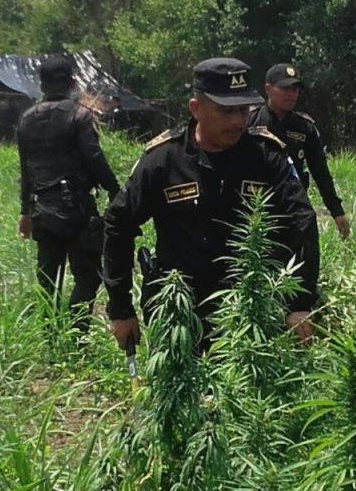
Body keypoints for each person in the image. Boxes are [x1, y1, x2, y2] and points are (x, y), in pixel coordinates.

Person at [104, 57, 320, 352]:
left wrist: (301, 302)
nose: (238, 121)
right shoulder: (163, 160)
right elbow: (118, 223)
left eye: (243, 110)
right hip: (180, 313)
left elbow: (302, 222)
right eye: (226, 110)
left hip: (251, 313)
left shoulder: (266, 156)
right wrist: (120, 308)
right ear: (196, 108)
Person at [17, 56, 121, 329]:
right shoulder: (79, 115)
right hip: (77, 210)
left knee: (47, 281)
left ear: (42, 85)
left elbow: (25, 171)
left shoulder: (26, 120)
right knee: (88, 276)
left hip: (42, 209)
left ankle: (50, 336)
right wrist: (115, 190)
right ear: (72, 82)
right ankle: (76, 333)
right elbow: (94, 158)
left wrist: (24, 212)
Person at [249, 63, 350, 239]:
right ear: (268, 89)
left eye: (295, 89)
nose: (291, 95)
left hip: (293, 204)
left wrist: (336, 210)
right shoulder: (250, 122)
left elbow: (320, 171)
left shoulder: (304, 128)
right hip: (256, 205)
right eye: (285, 89)